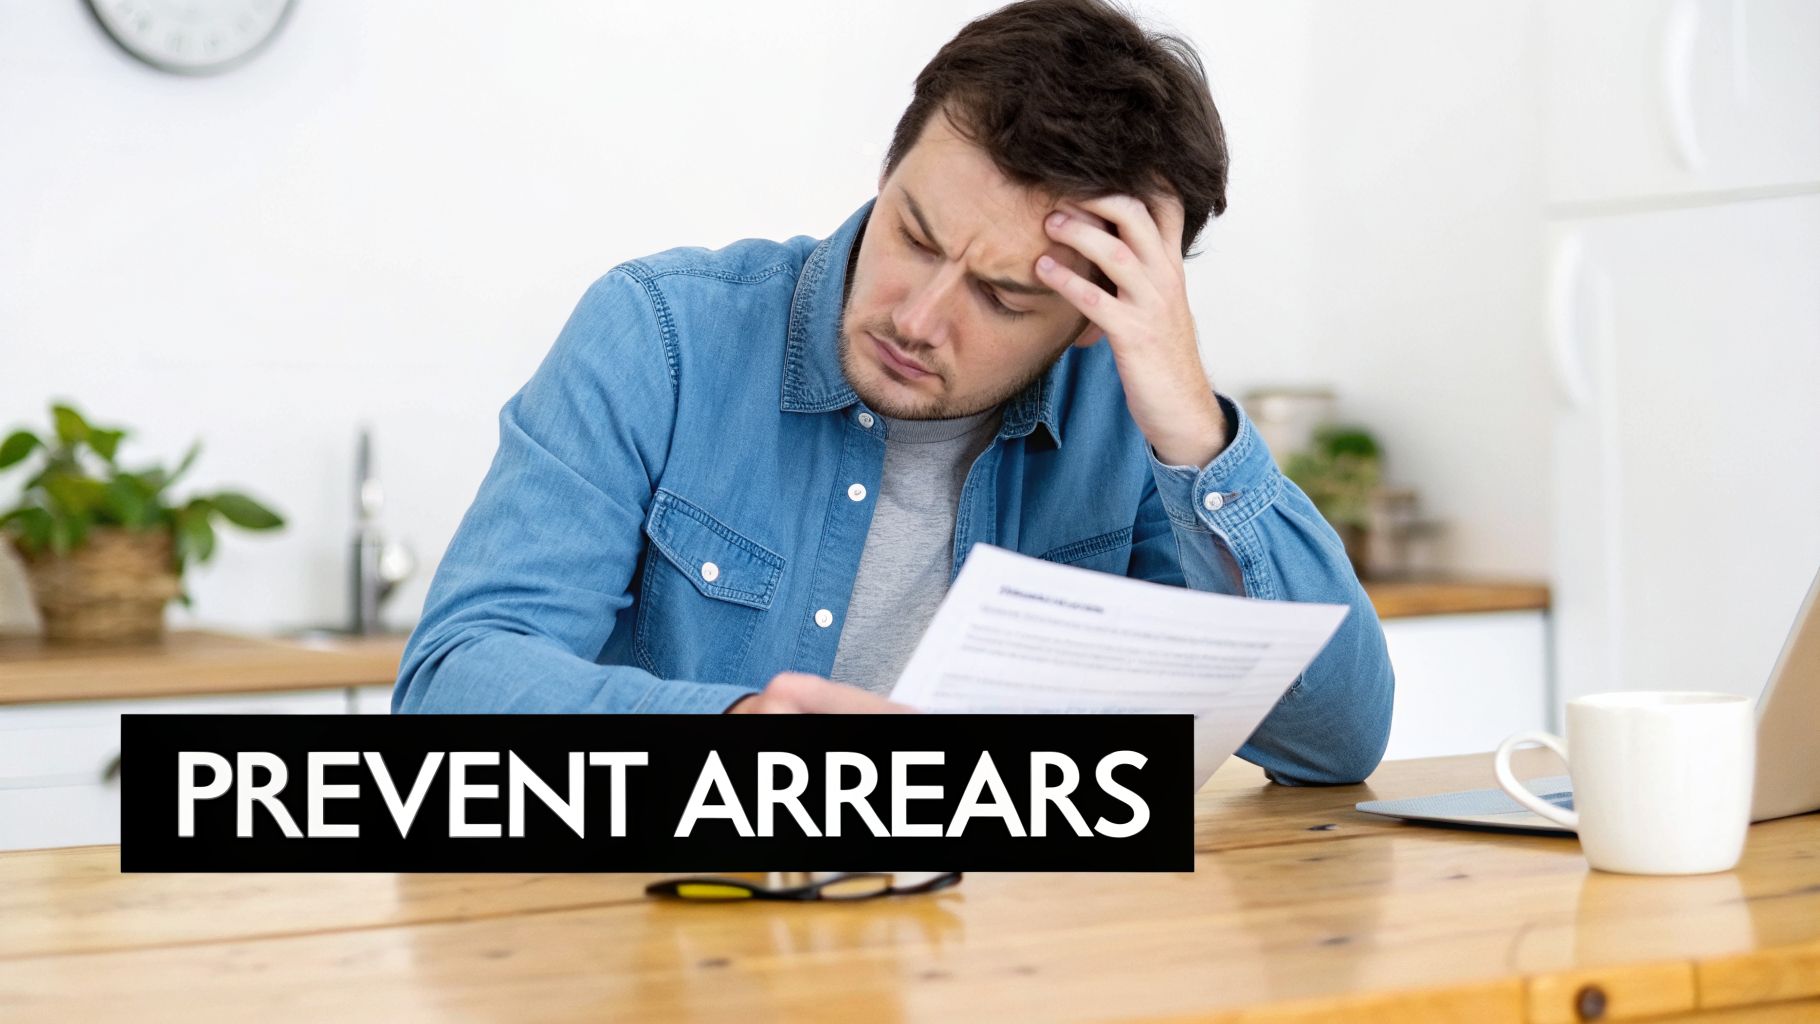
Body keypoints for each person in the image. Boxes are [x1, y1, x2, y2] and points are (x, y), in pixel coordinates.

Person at [395, 0, 1394, 785]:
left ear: (1091, 316)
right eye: (913, 234)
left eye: (1002, 297)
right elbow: (452, 684)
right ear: (888, 168)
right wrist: (737, 729)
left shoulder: (1127, 416)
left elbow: (1331, 744)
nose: (917, 317)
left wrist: (1194, 433)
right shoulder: (662, 335)